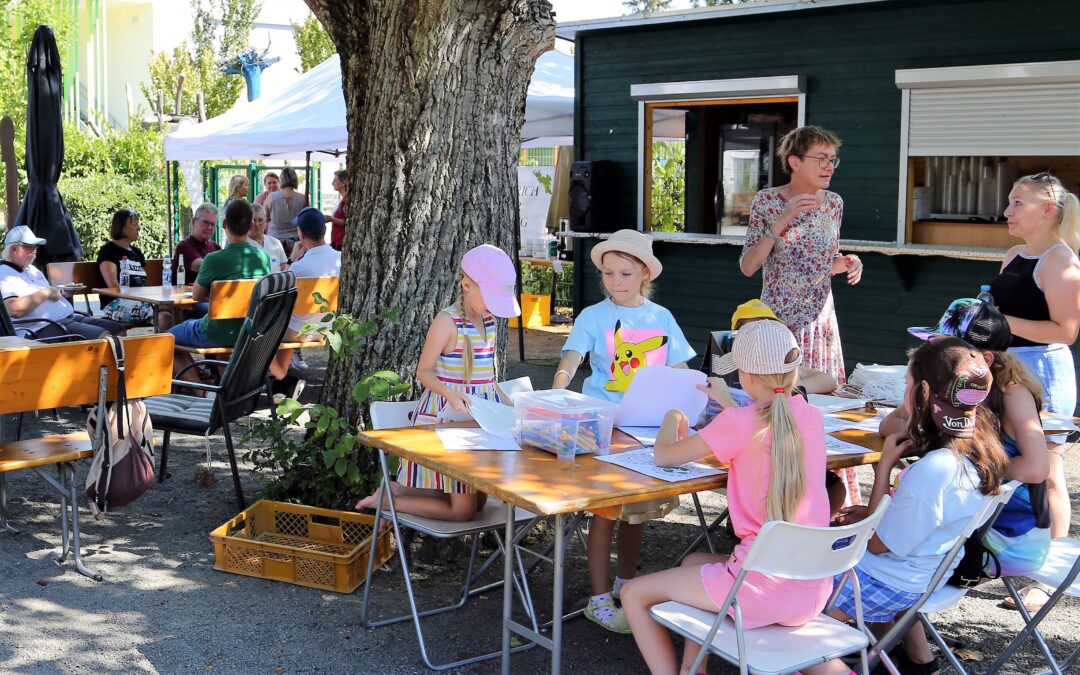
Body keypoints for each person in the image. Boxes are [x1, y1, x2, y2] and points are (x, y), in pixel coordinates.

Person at [622, 319, 832, 674]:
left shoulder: (737, 424)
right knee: (692, 564)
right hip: (813, 588)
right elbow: (761, 428)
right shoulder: (809, 416)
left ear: (745, 378)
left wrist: (671, 417)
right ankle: (694, 669)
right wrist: (729, 405)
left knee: (633, 595)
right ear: (794, 371)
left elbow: (664, 455)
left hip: (757, 591)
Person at [803, 337, 1009, 675]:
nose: (904, 392)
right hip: (918, 574)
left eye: (908, 384)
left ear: (924, 392)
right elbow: (910, 528)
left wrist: (883, 468)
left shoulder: (934, 469)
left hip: (883, 582)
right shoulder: (979, 452)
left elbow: (878, 544)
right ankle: (914, 662)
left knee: (787, 585)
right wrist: (872, 516)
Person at [880, 298, 1051, 673]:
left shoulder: (1011, 395)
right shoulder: (948, 392)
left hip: (1007, 535)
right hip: (973, 523)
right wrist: (918, 394)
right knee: (907, 534)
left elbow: (1037, 468)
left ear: (984, 360)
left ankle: (905, 653)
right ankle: (905, 653)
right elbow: (888, 428)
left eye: (943, 349)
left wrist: (970, 469)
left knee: (899, 546)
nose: (932, 353)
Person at [552, 228, 696, 633]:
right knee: (604, 511)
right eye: (610, 273)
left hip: (647, 427)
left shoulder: (661, 318)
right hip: (603, 425)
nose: (616, 281)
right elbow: (571, 358)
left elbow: (680, 369)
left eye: (626, 274)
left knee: (636, 513)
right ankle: (598, 600)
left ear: (644, 275)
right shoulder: (592, 316)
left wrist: (700, 397)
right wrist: (558, 388)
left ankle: (627, 585)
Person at [739, 125, 864, 503]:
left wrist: (847, 263)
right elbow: (748, 266)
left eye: (832, 159)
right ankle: (772, 499)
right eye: (821, 158)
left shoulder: (834, 203)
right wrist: (782, 221)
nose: (829, 166)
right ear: (795, 162)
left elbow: (819, 264)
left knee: (821, 408)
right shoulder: (767, 201)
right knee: (779, 410)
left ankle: (827, 500)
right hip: (779, 325)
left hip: (820, 324)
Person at [356, 244, 520, 521]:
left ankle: (395, 491)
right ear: (466, 284)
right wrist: (450, 393)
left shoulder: (489, 320)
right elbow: (424, 371)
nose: (492, 304)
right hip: (448, 423)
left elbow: (486, 378)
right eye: (489, 296)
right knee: (463, 511)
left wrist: (511, 403)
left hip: (478, 422)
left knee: (478, 503)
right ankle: (386, 503)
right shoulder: (447, 321)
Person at [988, 172, 1080, 565]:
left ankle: (1050, 570)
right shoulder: (1014, 255)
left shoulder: (1060, 259)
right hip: (1008, 371)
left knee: (1047, 469)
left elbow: (1067, 330)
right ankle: (1010, 554)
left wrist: (998, 322)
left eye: (1017, 203)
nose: (1007, 211)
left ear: (1046, 210)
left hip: (1043, 374)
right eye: (1009, 201)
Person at [167, 200, 271, 386]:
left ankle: (201, 391)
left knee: (165, 340)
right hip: (249, 329)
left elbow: (197, 296)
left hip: (216, 331)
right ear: (251, 225)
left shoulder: (213, 259)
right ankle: (224, 389)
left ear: (223, 225)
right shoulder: (262, 256)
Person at [0, 226, 124, 339]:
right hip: (41, 328)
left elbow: (45, 298)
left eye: (35, 246)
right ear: (14, 249)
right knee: (103, 336)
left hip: (65, 318)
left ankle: (118, 363)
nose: (35, 250)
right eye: (29, 246)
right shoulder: (4, 273)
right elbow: (14, 309)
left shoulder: (31, 269)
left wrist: (64, 293)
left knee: (117, 329)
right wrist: (47, 292)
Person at [267, 207, 341, 383]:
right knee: (290, 319)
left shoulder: (298, 267)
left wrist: (292, 260)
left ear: (300, 234)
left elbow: (277, 292)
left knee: (263, 329)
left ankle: (280, 374)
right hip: (331, 328)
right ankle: (282, 372)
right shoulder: (341, 258)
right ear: (324, 231)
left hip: (300, 332)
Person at [96, 208, 154, 324]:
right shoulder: (108, 251)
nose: (139, 228)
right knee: (155, 313)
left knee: (171, 310)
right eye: (134, 225)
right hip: (115, 303)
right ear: (121, 227)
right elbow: (113, 287)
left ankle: (164, 340)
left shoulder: (136, 252)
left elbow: (143, 282)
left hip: (140, 301)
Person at [266, 167, 308, 250]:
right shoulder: (302, 198)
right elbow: (307, 220)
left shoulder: (271, 197)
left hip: (274, 239)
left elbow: (264, 218)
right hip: (296, 241)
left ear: (281, 179)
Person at [249, 203, 288, 271]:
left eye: (260, 220)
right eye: (253, 221)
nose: (257, 224)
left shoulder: (275, 242)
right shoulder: (243, 244)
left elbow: (284, 268)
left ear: (265, 220)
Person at [327, 169, 347, 251]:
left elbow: (346, 222)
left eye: (335, 180)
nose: (332, 183)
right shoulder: (343, 200)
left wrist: (331, 219)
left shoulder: (346, 200)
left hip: (342, 242)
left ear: (343, 182)